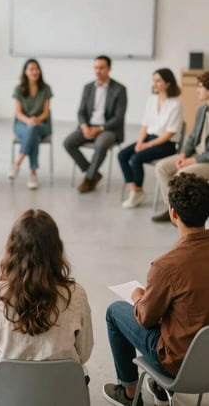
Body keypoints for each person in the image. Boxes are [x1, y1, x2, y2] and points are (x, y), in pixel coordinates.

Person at [103, 173, 209, 406]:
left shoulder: (166, 266)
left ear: (173, 213)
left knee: (115, 311)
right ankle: (160, 389)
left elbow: (146, 319)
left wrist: (140, 297)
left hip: (177, 364)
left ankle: (130, 393)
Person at [0, 209, 94, 391]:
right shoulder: (76, 294)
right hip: (62, 391)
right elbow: (84, 352)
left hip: (10, 392)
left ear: (12, 249)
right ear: (56, 249)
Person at [119, 68, 183, 209]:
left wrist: (146, 146)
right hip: (149, 138)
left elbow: (169, 134)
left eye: (158, 80)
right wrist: (140, 142)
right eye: (153, 80)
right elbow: (145, 125)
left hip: (167, 144)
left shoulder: (175, 104)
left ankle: (137, 191)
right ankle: (135, 190)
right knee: (122, 155)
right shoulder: (151, 100)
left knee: (136, 158)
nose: (154, 83)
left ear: (167, 83)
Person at [64, 55, 127, 193]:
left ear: (109, 69)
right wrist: (84, 126)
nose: (98, 71)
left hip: (109, 128)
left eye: (102, 68)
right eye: (96, 67)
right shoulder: (88, 87)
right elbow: (80, 112)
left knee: (101, 144)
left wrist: (99, 129)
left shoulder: (119, 89)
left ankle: (89, 178)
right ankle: (93, 172)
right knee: (68, 142)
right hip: (89, 126)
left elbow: (119, 118)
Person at [153, 71, 209, 222]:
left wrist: (192, 161)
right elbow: (192, 137)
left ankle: (184, 215)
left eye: (200, 86)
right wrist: (184, 154)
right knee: (161, 167)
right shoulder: (202, 110)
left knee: (180, 175)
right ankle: (173, 209)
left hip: (206, 160)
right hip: (195, 155)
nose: (197, 90)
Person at [8, 59, 52, 190]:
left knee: (33, 130)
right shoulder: (18, 89)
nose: (34, 72)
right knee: (34, 136)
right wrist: (28, 121)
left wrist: (36, 120)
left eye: (36, 69)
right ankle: (33, 173)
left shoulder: (46, 89)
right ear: (25, 72)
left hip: (42, 124)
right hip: (22, 125)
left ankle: (17, 163)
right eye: (31, 69)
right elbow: (18, 113)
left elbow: (46, 112)